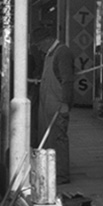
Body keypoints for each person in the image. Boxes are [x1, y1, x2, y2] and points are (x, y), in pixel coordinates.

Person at [32, 26, 75, 185]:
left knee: (58, 139)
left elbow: (67, 80)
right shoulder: (49, 54)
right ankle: (52, 171)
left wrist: (65, 103)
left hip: (57, 105)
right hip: (47, 105)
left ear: (48, 40)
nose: (39, 48)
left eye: (39, 44)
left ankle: (62, 175)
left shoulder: (62, 53)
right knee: (49, 140)